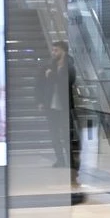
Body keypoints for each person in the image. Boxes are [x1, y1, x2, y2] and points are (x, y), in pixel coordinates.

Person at [39, 41, 76, 169]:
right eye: (53, 50)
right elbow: (40, 84)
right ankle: (60, 160)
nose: (53, 53)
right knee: (54, 135)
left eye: (56, 50)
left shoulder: (69, 66)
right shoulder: (49, 65)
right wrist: (40, 101)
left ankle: (70, 159)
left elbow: (67, 82)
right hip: (51, 106)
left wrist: (52, 75)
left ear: (63, 51)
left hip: (64, 106)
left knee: (66, 135)